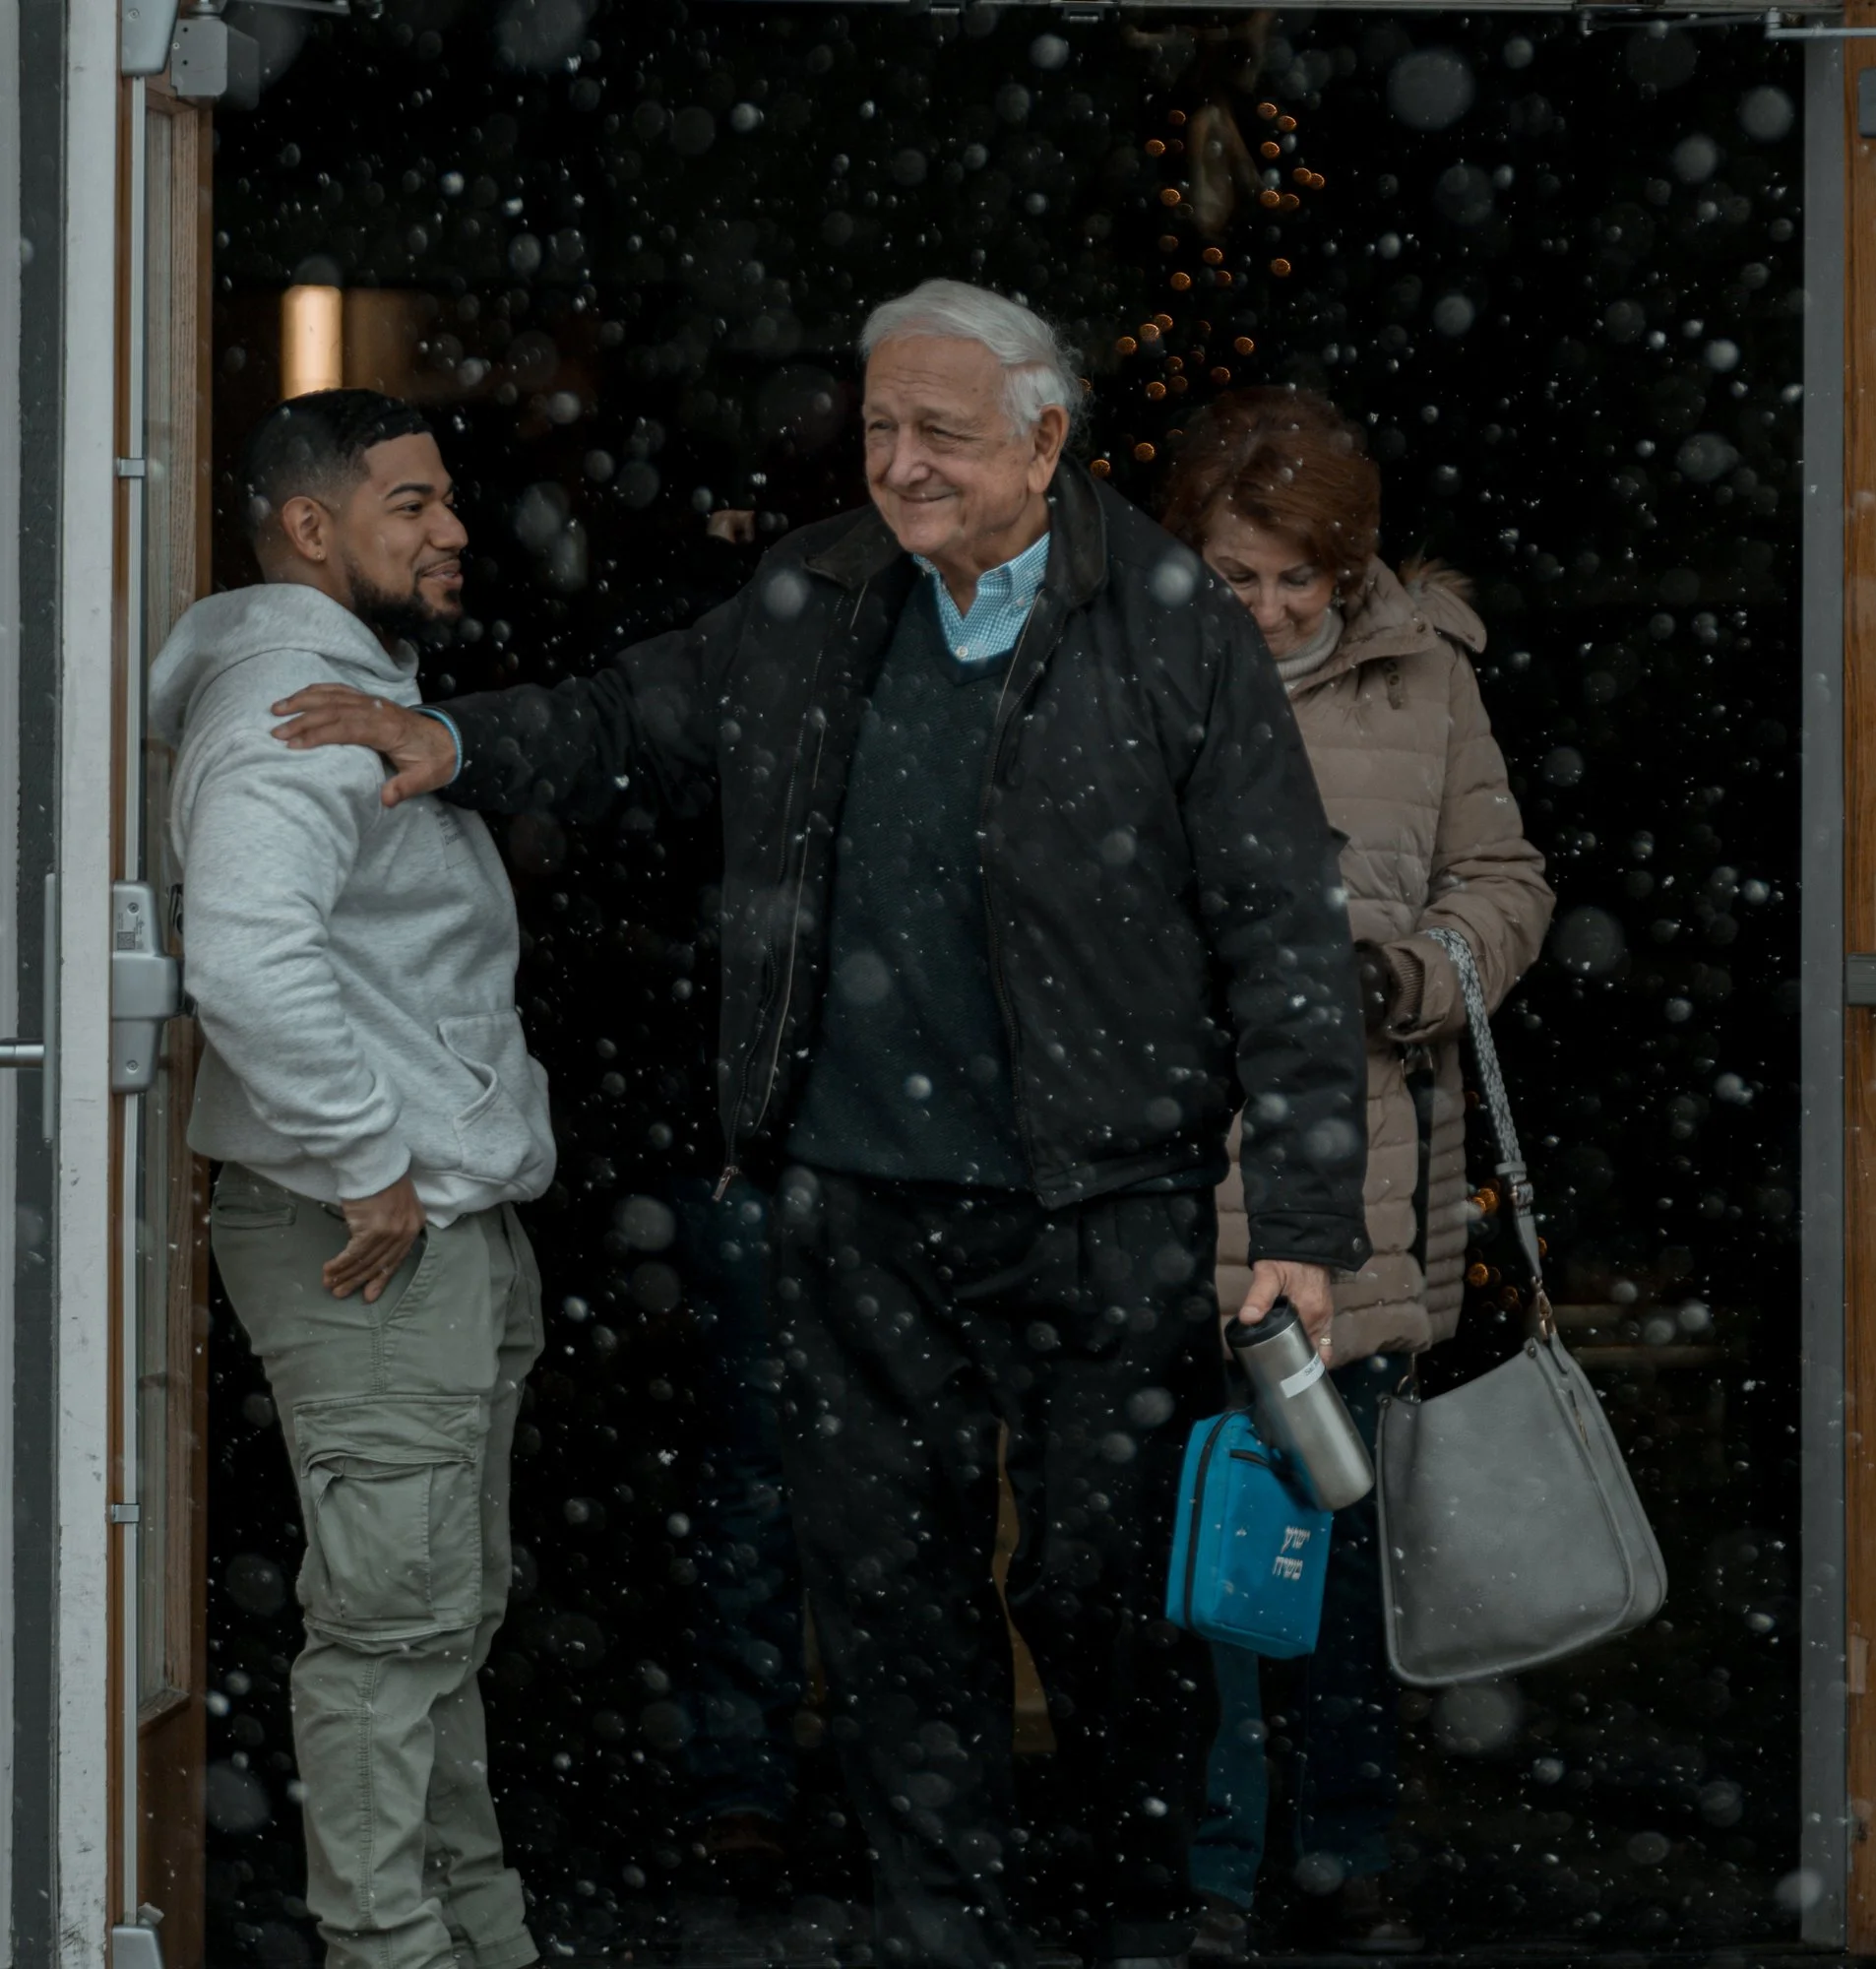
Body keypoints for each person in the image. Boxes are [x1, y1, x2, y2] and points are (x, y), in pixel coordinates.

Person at [266, 279, 1372, 1969]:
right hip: (857, 1198)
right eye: (880, 429)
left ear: (1045, 438)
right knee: (891, 1603)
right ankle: (950, 1932)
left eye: (941, 431)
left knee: (1103, 1593)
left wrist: (1297, 1217)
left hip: (1105, 1200)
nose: (902, 464)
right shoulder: (816, 597)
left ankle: (1134, 1913)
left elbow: (1284, 931)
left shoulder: (1166, 615)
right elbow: (633, 717)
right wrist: (448, 738)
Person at [154, 390, 556, 1969]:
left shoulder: (342, 687)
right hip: (374, 1229)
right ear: (310, 526)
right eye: (411, 503)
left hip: (437, 1220)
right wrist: (367, 1158)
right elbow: (244, 958)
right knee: (395, 1627)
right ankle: (391, 1951)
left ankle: (471, 1934)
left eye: (447, 498)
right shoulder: (291, 707)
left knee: (440, 1613)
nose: (452, 529)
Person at [1158, 388, 1553, 1958]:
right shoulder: (1134, 678)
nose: (1265, 610)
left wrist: (1410, 977)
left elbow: (1505, 882)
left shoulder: (1426, 681)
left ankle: (1346, 1852)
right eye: (1234, 576)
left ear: (1351, 568)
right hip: (1177, 1175)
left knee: (1336, 1552)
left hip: (1362, 1177)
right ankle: (1208, 1869)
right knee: (1203, 1559)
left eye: (1294, 580)